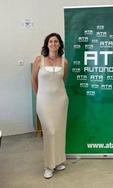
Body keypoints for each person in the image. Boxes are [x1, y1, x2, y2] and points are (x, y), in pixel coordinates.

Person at [32, 33, 68, 179]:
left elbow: (62, 80)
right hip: (44, 101)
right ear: (47, 44)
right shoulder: (39, 60)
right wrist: (38, 95)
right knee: (50, 131)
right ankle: (48, 165)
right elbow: (33, 79)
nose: (53, 43)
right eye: (51, 41)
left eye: (56, 41)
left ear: (59, 45)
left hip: (61, 101)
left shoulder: (64, 62)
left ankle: (58, 161)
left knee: (59, 131)